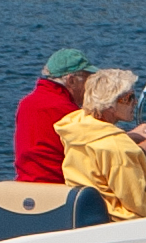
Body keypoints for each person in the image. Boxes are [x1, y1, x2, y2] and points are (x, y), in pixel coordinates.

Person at [57, 68, 146, 222]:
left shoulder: (78, 129)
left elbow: (102, 150)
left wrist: (129, 136)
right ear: (110, 105)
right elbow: (138, 203)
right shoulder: (118, 147)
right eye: (129, 98)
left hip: (88, 214)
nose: (135, 102)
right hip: (119, 220)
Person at [14, 49, 91, 184]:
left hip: (25, 184)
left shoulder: (26, 103)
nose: (89, 87)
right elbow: (96, 150)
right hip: (57, 187)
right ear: (71, 81)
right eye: (87, 80)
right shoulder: (67, 110)